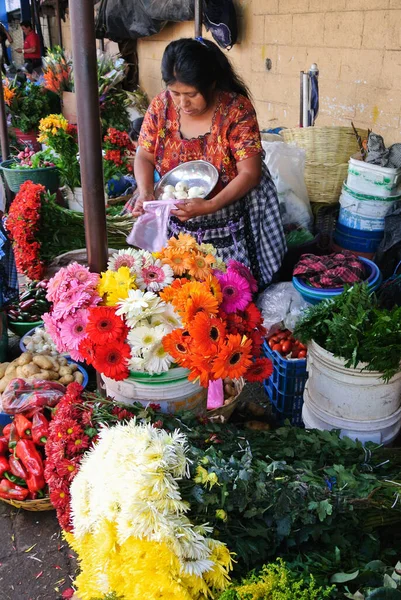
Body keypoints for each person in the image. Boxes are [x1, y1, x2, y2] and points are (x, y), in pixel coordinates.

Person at [127, 38, 286, 290]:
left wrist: (210, 204)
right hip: (183, 212)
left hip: (234, 203)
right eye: (175, 93)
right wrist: (145, 191)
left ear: (211, 84)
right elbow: (144, 155)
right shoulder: (160, 106)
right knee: (187, 285)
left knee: (235, 289)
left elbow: (250, 173)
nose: (182, 103)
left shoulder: (235, 110)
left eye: (191, 94)